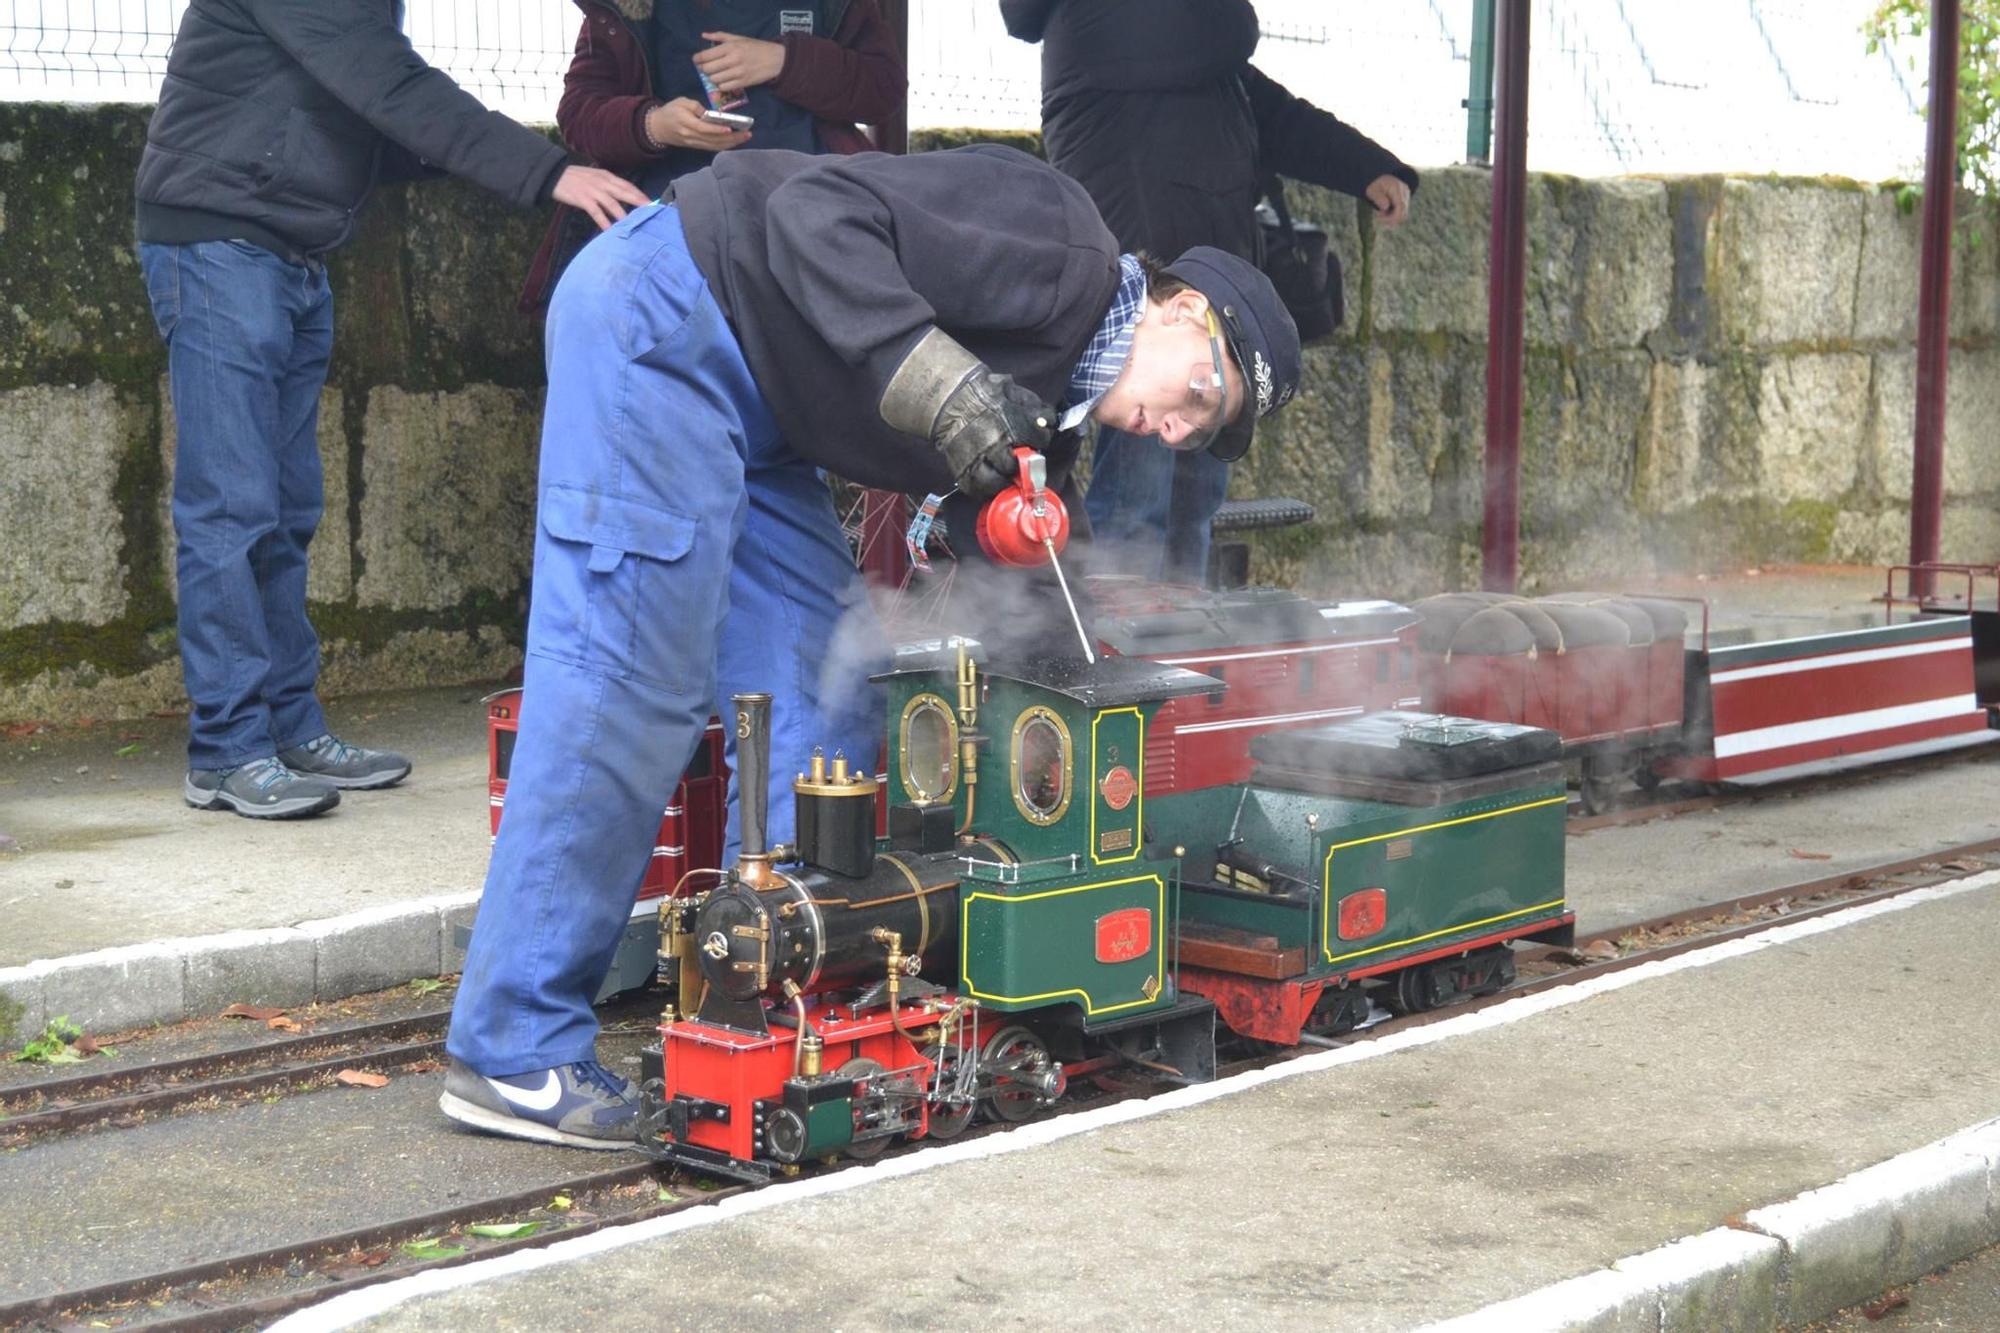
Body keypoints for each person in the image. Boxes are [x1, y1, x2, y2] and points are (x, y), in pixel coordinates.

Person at [438, 144, 1303, 1149]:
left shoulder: (1048, 421)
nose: (1174, 430)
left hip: (763, 419)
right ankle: (512, 1046)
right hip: (669, 316)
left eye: (1198, 433)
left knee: (831, 687)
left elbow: (1010, 578)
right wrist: (934, 381)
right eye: (1201, 395)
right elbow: (815, 211)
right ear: (1181, 310)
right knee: (627, 684)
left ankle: (759, 986)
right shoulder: (1061, 239)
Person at [134, 1, 651, 820]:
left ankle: (290, 726)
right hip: (218, 243)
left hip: (289, 252)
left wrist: (544, 153)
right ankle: (227, 750)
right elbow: (395, 87)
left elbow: (379, 120)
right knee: (229, 508)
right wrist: (548, 172)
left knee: (286, 509)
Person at [1003, 0, 1419, 587]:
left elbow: (1274, 115)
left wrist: (1368, 168)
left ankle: (1180, 651)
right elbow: (1230, 25)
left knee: (1194, 506)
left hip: (1206, 322)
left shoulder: (1200, 58)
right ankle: (1117, 650)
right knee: (1136, 507)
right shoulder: (1099, 20)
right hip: (1148, 323)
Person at [518, 0, 906, 312]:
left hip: (812, 210)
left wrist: (784, 61)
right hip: (673, 216)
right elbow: (579, 111)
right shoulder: (630, 7)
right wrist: (653, 125)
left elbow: (883, 89)